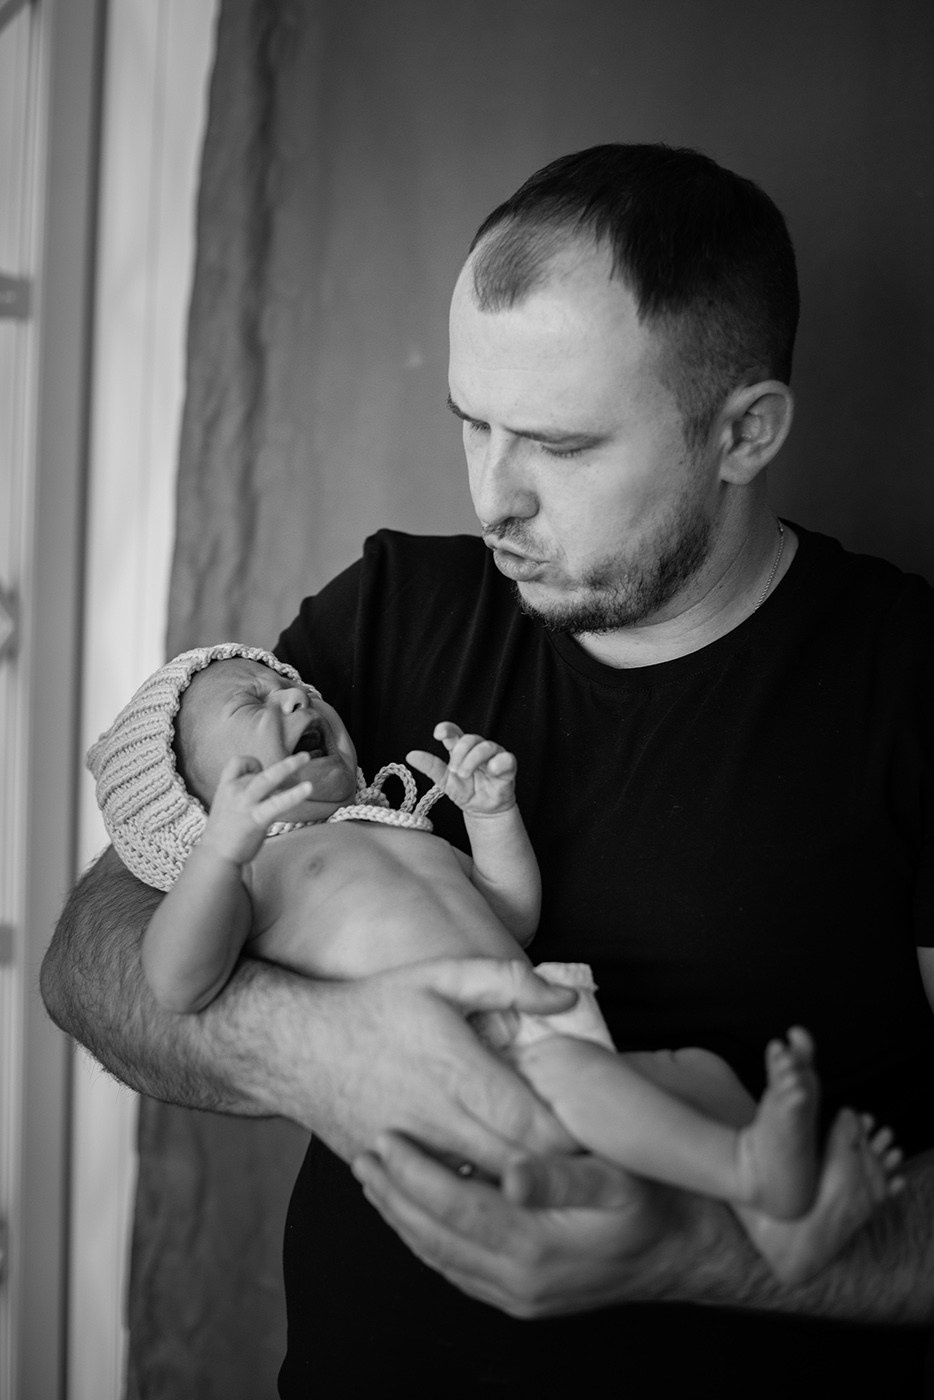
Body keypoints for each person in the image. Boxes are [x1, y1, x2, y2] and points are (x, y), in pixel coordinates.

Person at [41, 143, 934, 1396]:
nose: (492, 499)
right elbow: (97, 952)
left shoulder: (905, 684)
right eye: (472, 423)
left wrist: (701, 1252)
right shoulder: (395, 606)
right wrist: (323, 1048)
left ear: (744, 432)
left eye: (559, 447)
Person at [86, 640, 903, 1287]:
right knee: (595, 1091)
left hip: (535, 1013)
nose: (295, 695)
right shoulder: (252, 873)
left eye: (288, 682)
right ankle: (748, 1169)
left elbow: (507, 915)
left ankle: (780, 1233)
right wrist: (221, 855)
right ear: (198, 809)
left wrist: (493, 818)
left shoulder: (389, 822)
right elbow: (176, 980)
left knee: (700, 1074)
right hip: (464, 1058)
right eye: (253, 702)